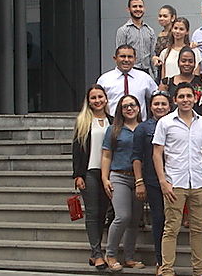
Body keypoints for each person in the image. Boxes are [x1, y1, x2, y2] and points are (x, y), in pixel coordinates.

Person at [152, 82, 202, 276]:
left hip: (198, 182)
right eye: (181, 96)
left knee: (198, 229)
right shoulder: (166, 122)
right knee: (171, 229)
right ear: (175, 100)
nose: (185, 100)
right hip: (175, 182)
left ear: (195, 98)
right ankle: (167, 271)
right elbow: (157, 153)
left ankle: (199, 271)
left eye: (189, 96)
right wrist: (163, 181)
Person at [101, 95, 145, 272]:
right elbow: (106, 155)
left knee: (135, 220)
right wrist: (105, 178)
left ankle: (129, 257)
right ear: (120, 109)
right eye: (125, 106)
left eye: (132, 105)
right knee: (123, 216)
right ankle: (110, 254)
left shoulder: (145, 128)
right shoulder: (114, 129)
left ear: (138, 108)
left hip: (140, 178)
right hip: (120, 176)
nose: (129, 108)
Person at [72, 84, 112, 271]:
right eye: (93, 98)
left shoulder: (113, 120)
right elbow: (77, 150)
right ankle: (97, 254)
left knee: (105, 213)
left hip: (110, 173)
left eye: (100, 97)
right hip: (89, 172)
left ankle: (97, 251)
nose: (97, 101)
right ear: (88, 101)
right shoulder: (83, 121)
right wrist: (77, 175)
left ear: (106, 98)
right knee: (93, 213)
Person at [132, 90, 172, 275]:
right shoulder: (143, 128)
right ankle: (160, 260)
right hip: (153, 180)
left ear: (169, 106)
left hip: (176, 179)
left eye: (163, 104)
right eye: (156, 104)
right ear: (150, 106)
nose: (160, 107)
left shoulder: (176, 124)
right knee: (159, 219)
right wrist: (139, 181)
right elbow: (137, 157)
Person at [98, 45, 158, 120]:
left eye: (130, 57)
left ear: (135, 59)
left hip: (139, 126)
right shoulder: (104, 79)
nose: (126, 60)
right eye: (122, 56)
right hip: (113, 124)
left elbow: (156, 98)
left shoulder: (144, 78)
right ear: (115, 58)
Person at [116, 0, 156, 76]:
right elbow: (120, 55)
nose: (138, 9)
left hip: (146, 72)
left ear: (144, 9)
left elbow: (152, 55)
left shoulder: (150, 31)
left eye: (140, 6)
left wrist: (155, 74)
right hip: (130, 71)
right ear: (128, 9)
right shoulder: (123, 31)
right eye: (134, 6)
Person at [159, 46, 202, 115]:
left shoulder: (201, 82)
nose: (187, 64)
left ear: (195, 64)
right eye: (183, 61)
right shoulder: (167, 82)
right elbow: (161, 104)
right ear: (178, 63)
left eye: (190, 61)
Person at [152, 5, 177, 80]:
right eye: (160, 16)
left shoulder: (176, 34)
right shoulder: (160, 34)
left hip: (172, 69)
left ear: (172, 18)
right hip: (160, 69)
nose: (161, 18)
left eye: (165, 16)